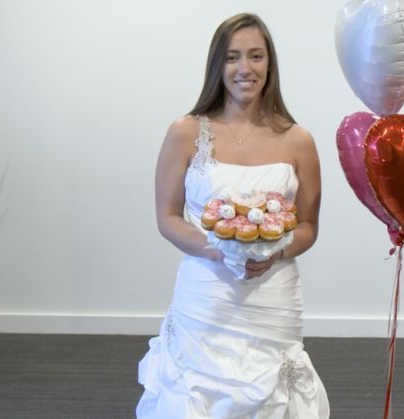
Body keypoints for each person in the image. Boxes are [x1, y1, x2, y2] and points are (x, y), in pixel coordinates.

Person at [136, 12, 330, 419]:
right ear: (217, 66)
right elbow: (167, 217)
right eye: (233, 57)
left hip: (273, 295)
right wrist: (215, 251)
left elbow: (309, 225)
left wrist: (276, 252)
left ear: (269, 65)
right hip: (207, 292)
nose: (245, 69)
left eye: (256, 56)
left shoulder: (299, 140)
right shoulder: (185, 132)